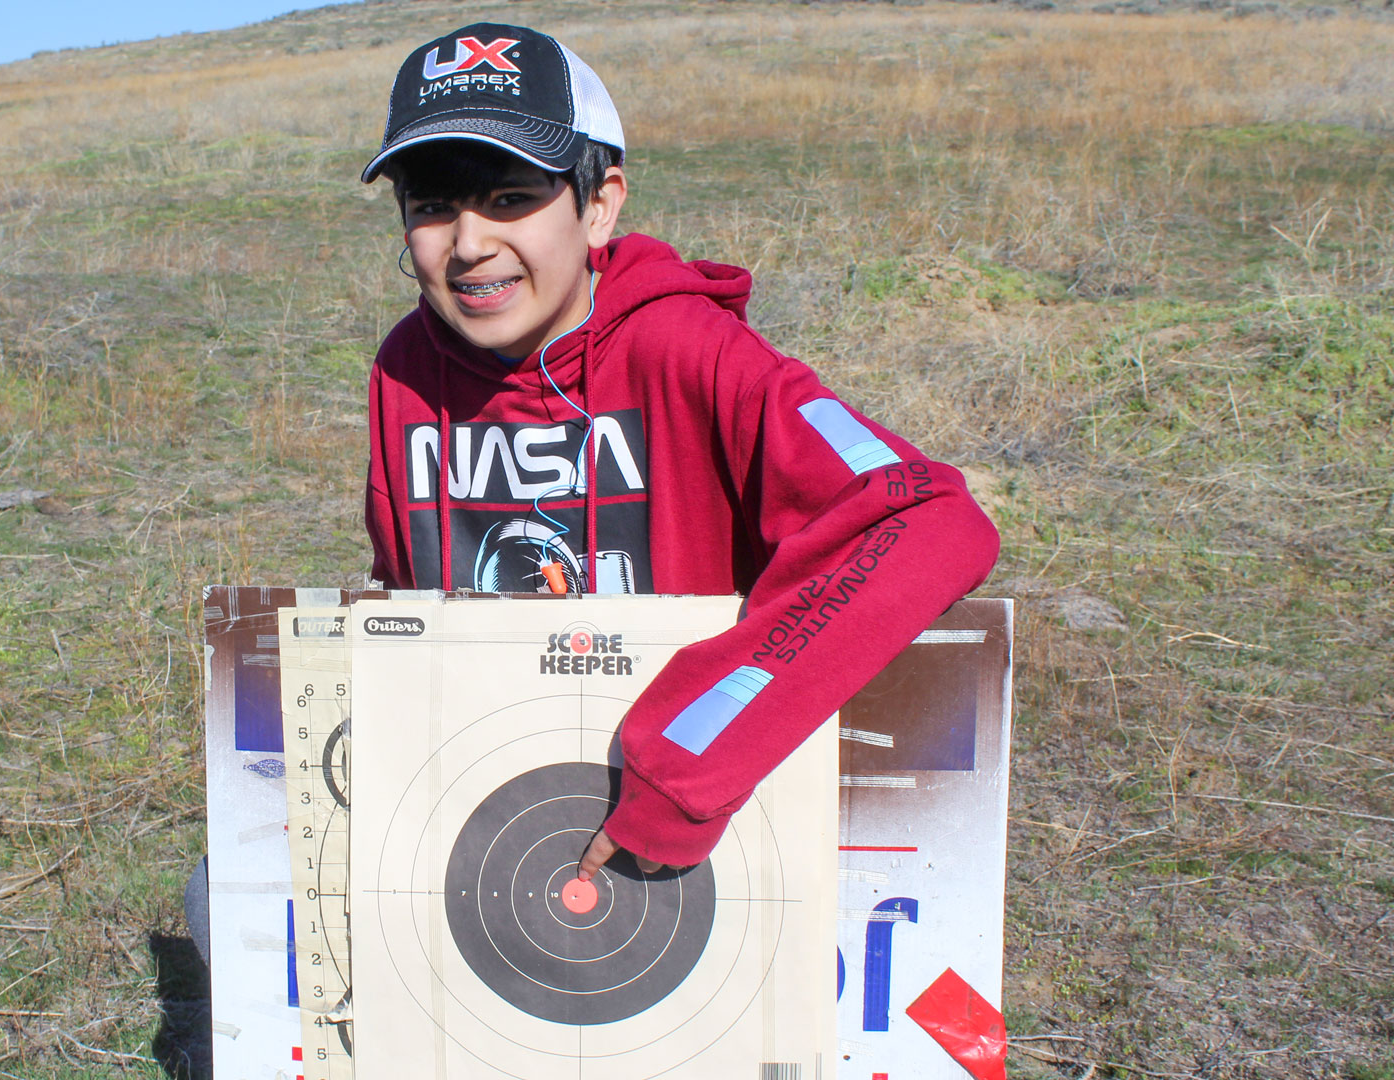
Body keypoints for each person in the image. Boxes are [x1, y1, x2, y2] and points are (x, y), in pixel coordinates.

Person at [360, 23, 1000, 875]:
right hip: (490, 795)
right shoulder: (407, 367)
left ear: (600, 205)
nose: (470, 243)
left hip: (685, 825)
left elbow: (929, 517)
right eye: (432, 207)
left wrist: (691, 762)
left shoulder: (688, 347)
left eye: (511, 198)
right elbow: (406, 595)